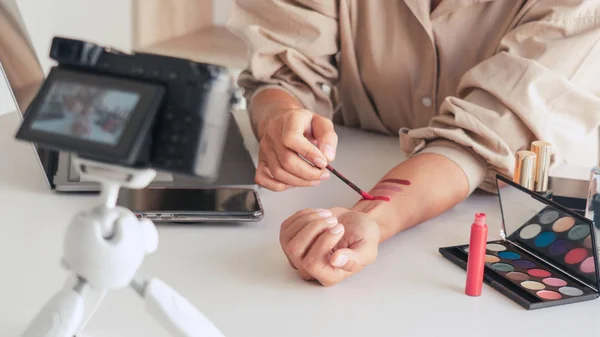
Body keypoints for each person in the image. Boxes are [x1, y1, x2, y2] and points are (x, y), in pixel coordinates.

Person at [227, 1, 600, 286]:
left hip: (526, 210)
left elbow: (483, 136)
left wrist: (373, 219)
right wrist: (280, 117)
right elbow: (281, 71)